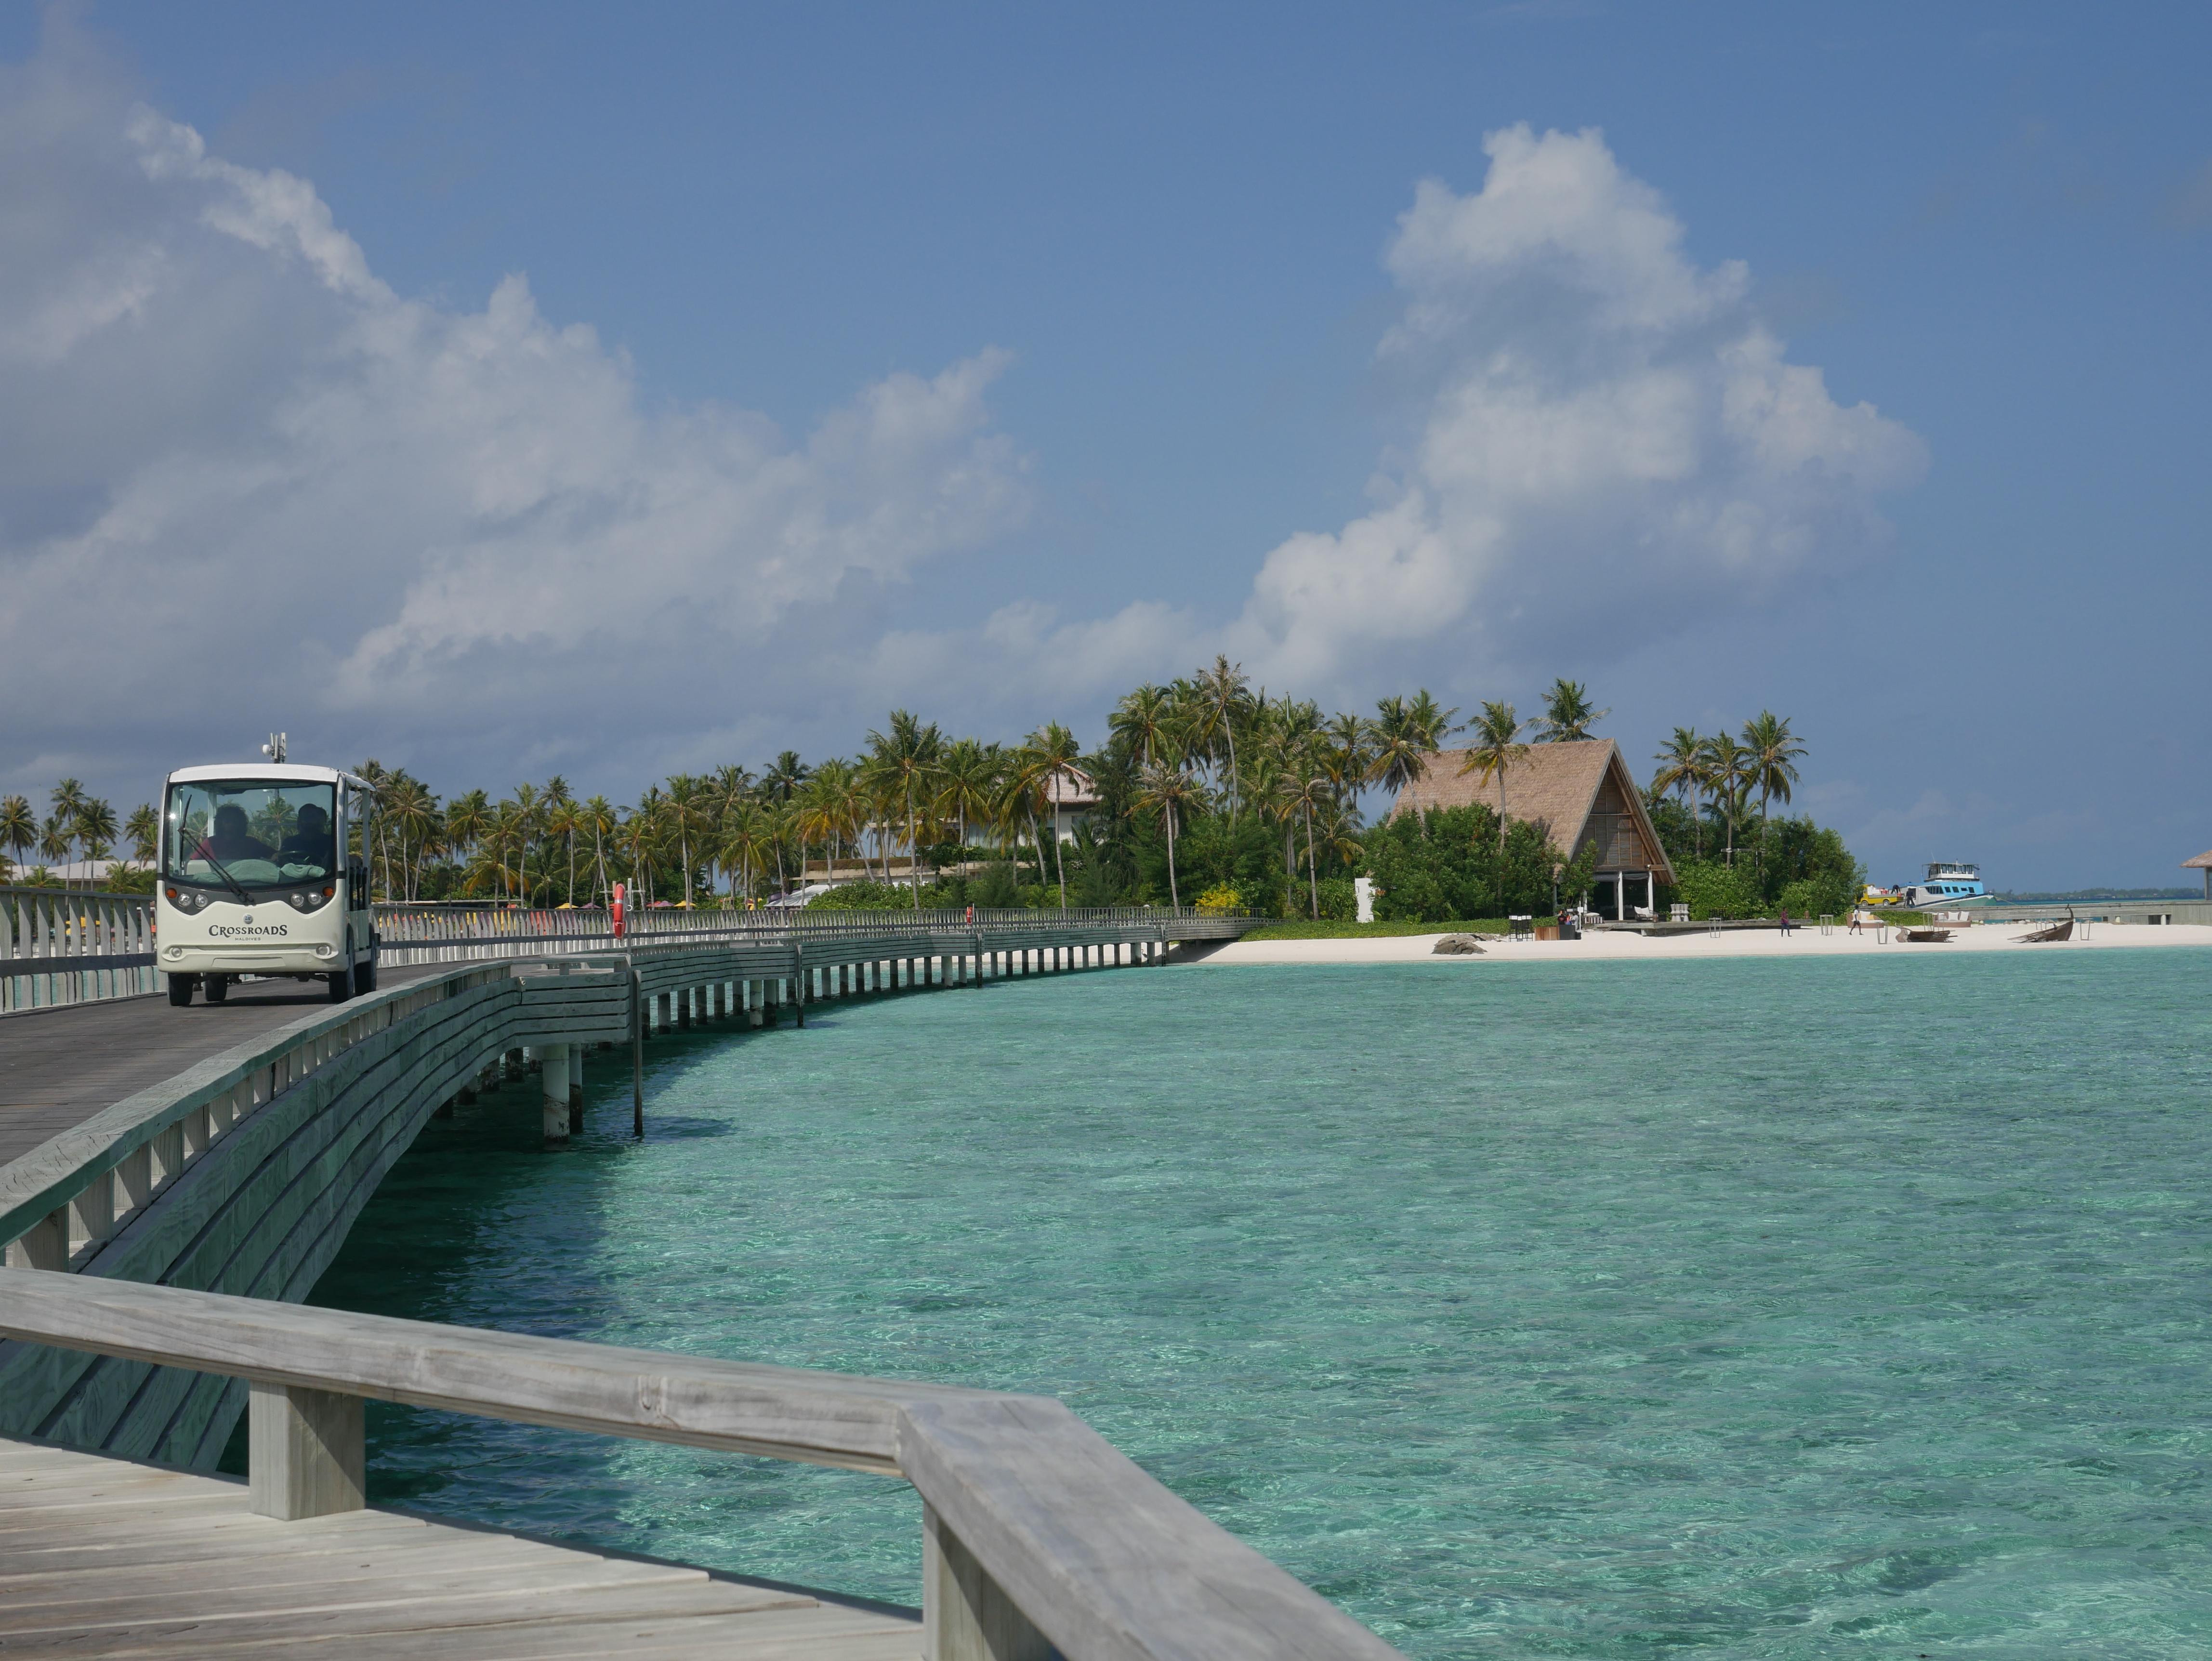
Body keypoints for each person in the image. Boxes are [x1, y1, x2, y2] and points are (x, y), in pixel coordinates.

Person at [195, 803, 271, 866]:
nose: (231, 824)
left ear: (241, 823)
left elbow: (275, 855)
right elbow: (191, 865)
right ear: (220, 823)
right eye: (227, 820)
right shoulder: (210, 843)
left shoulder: (252, 843)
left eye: (234, 820)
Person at [279, 804, 336, 871]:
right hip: (292, 879)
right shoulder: (289, 842)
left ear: (321, 824)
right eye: (305, 819)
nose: (309, 824)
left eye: (313, 819)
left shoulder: (331, 842)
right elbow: (281, 860)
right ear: (299, 822)